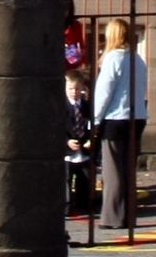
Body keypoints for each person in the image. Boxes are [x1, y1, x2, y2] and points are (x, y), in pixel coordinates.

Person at [92, 18, 149, 232]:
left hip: (116, 118)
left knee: (113, 170)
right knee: (128, 169)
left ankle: (112, 216)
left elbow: (104, 92)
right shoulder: (138, 59)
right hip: (137, 117)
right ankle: (129, 214)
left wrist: (95, 120)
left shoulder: (112, 58)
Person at [63, 70, 98, 215]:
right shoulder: (61, 107)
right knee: (66, 179)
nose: (74, 92)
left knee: (85, 177)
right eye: (70, 89)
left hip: (84, 149)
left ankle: (84, 203)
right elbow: (57, 127)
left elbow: (93, 125)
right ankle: (66, 205)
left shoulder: (87, 106)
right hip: (68, 150)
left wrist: (91, 139)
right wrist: (66, 141)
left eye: (77, 89)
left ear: (82, 87)